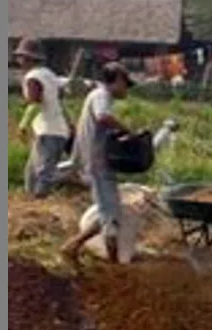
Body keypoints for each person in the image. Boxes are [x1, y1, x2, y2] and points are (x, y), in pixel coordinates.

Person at [61, 63, 134, 265]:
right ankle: (113, 264)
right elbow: (103, 117)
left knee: (109, 211)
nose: (126, 88)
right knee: (110, 215)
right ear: (117, 80)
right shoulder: (102, 95)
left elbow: (101, 124)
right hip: (97, 163)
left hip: (97, 161)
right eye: (125, 84)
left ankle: (73, 245)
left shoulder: (97, 95)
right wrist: (126, 129)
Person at [14, 38, 70, 198]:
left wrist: (23, 124)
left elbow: (36, 103)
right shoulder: (50, 74)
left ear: (29, 59)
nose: (19, 61)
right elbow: (59, 101)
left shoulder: (33, 77)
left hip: (48, 130)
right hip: (57, 130)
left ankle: (39, 203)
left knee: (42, 173)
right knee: (33, 172)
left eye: (22, 57)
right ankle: (32, 201)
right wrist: (70, 123)